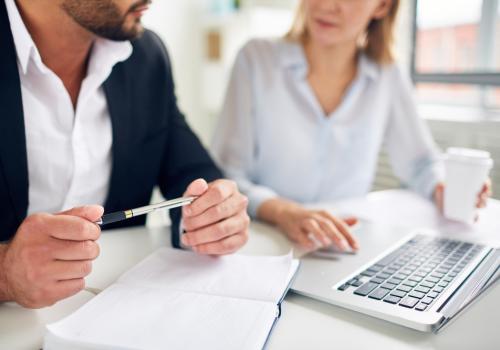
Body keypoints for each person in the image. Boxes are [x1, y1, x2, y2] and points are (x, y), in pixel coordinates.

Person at [0, 0, 250, 309]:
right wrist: (5, 276)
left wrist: (214, 214)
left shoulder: (145, 56)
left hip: (117, 316)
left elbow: (192, 171)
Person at [211, 0, 491, 252]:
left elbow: (420, 165)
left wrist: (443, 188)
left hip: (345, 244)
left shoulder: (387, 75)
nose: (327, 5)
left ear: (382, 6)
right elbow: (228, 174)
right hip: (265, 239)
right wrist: (284, 212)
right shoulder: (256, 59)